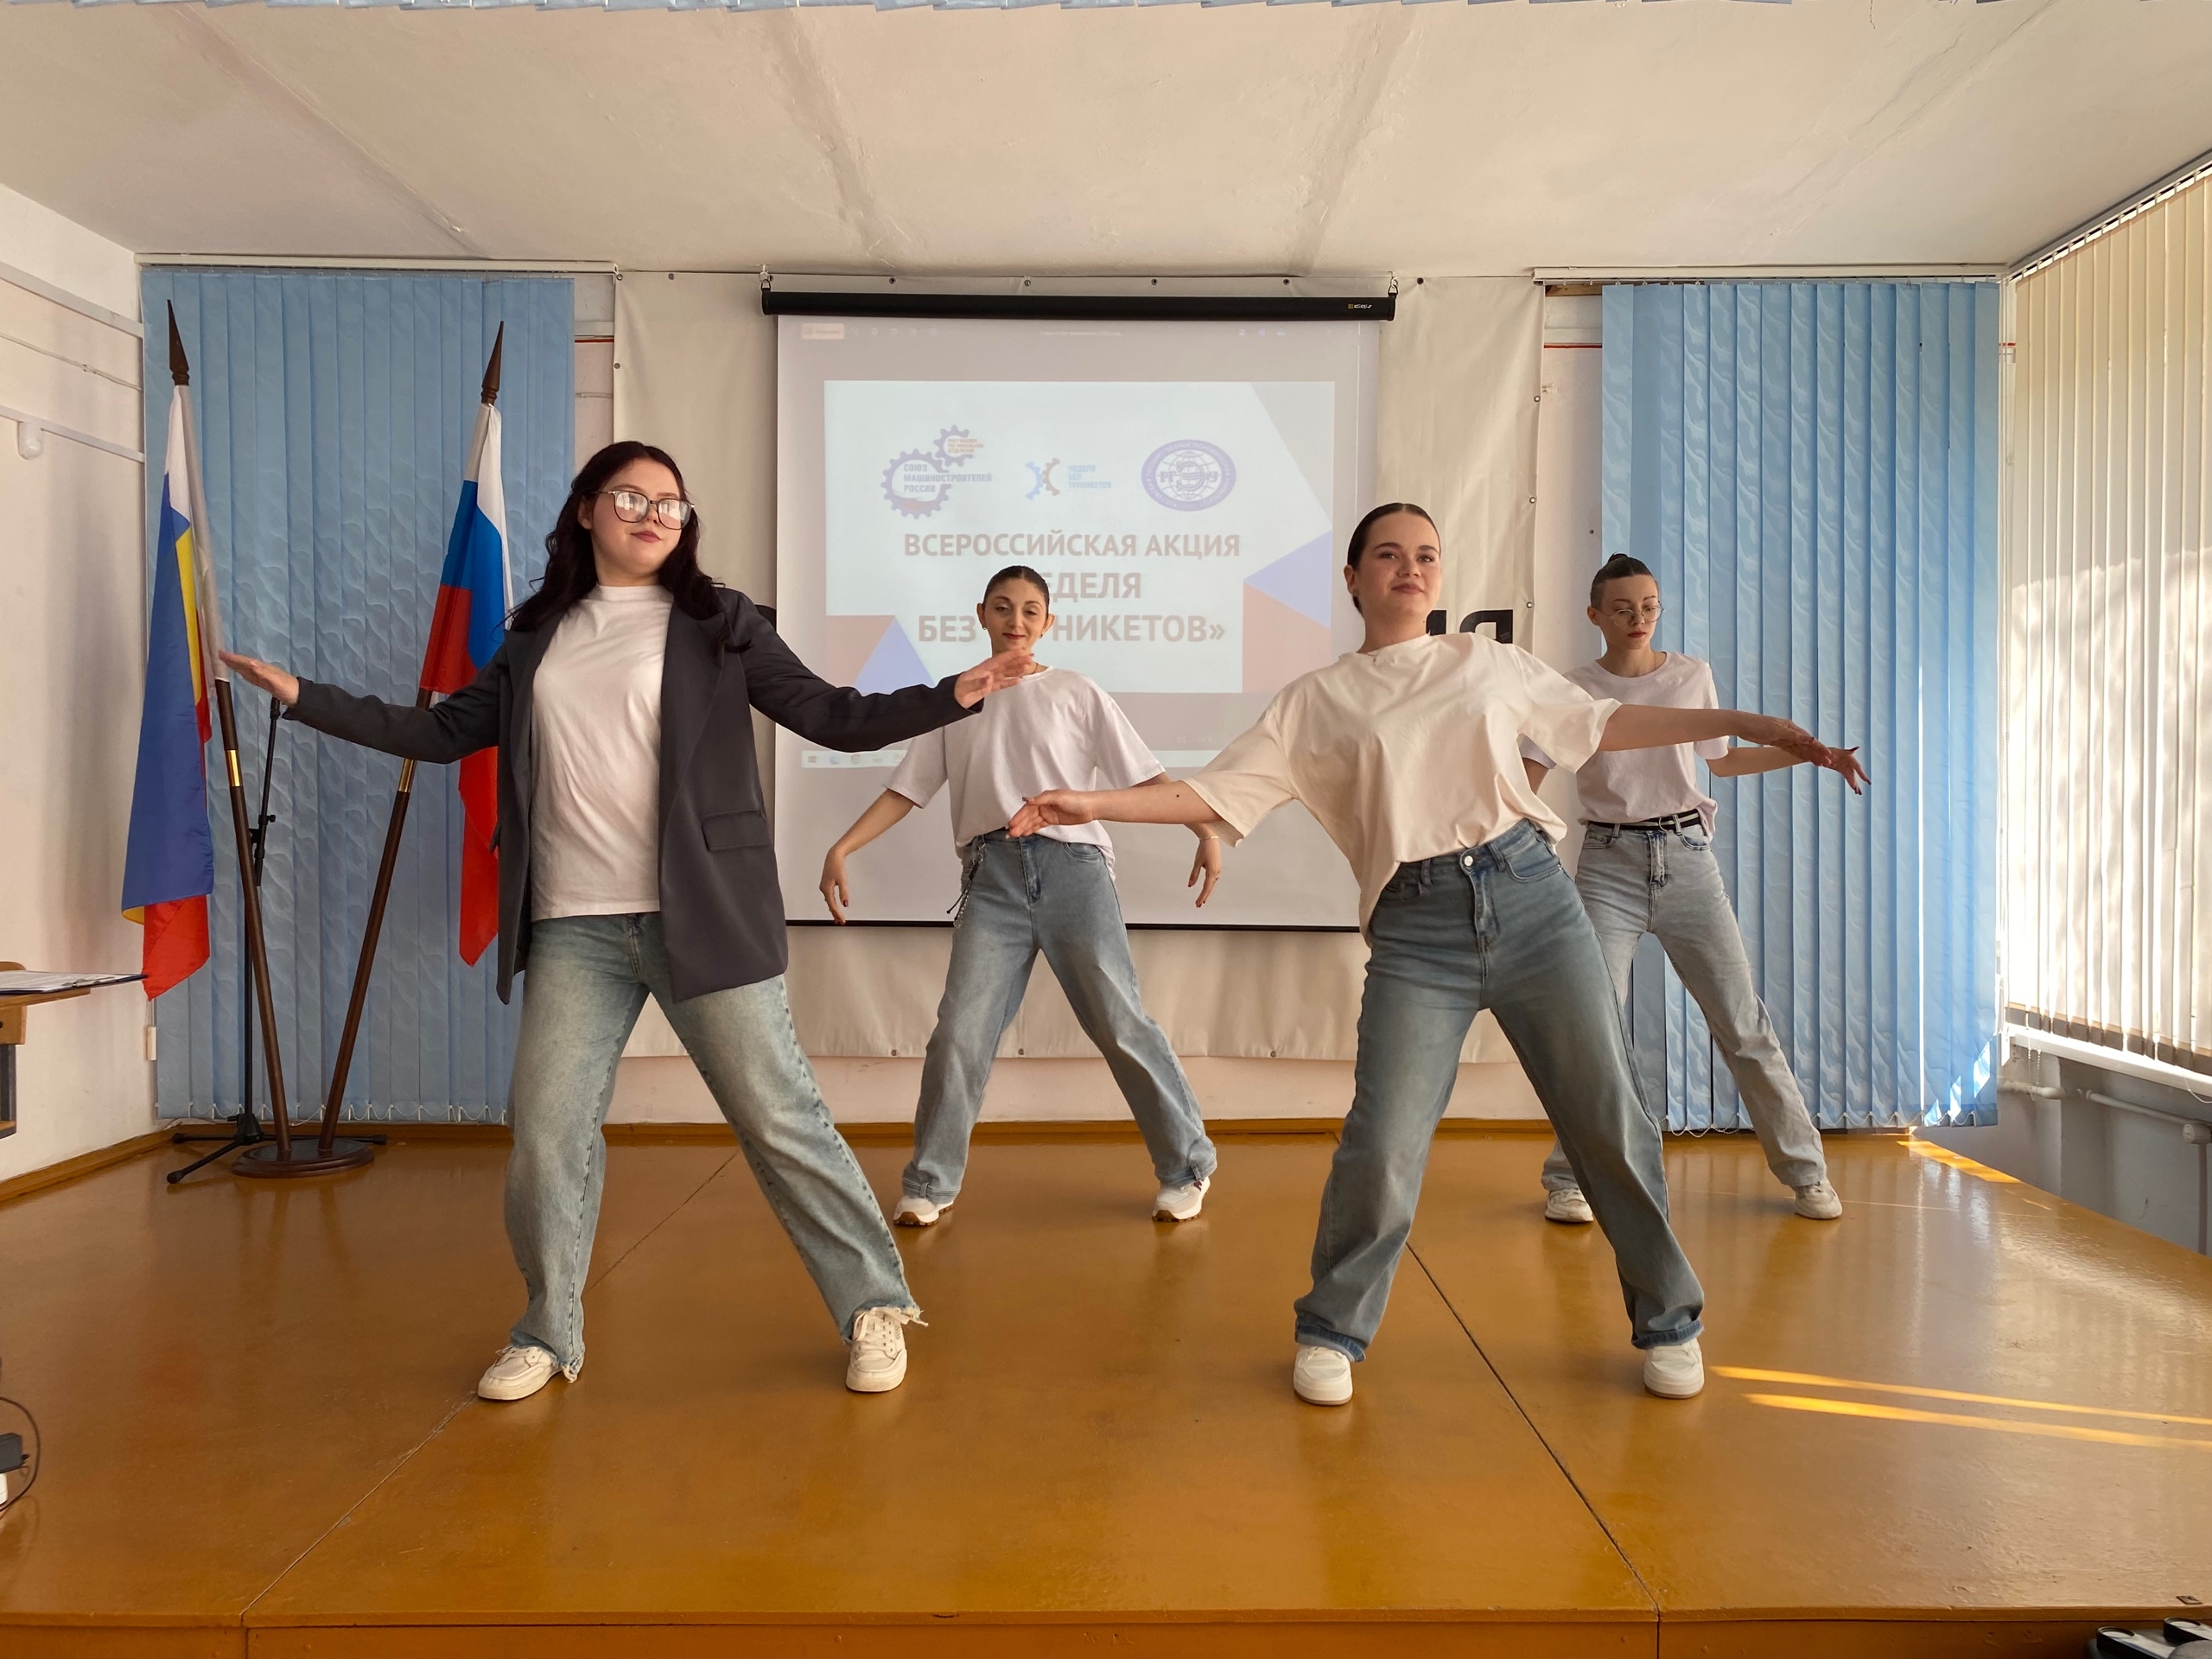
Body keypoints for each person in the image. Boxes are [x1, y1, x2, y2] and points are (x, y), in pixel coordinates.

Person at [220, 441, 1030, 1402]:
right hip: (575, 923)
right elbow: (440, 734)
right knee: (546, 1135)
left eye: (670, 504)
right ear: (585, 510)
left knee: (779, 1120)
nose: (654, 516)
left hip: (703, 911)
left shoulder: (719, 620)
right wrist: (305, 698)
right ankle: (546, 1329)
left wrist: (948, 695)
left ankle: (873, 1305)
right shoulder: (537, 634)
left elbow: (831, 715)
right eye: (632, 498)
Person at [1010, 504, 1868, 1407]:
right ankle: (1332, 1328)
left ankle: (1669, 1318)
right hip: (1416, 928)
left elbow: (1603, 725)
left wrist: (1752, 723)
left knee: (1607, 1116)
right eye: (1388, 554)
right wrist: (1092, 805)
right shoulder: (1314, 701)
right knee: (1382, 1139)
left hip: (1532, 897)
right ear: (1353, 578)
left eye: (1425, 554)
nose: (1409, 567)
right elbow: (1213, 793)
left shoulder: (1484, 661)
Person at [819, 565, 1221, 1226]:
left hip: (1075, 871)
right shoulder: (955, 701)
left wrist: (1205, 830)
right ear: (981, 614)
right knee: (960, 1032)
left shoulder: (1076, 691)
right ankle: (930, 1182)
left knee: (1119, 1021)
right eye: (1003, 607)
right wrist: (842, 847)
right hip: (992, 878)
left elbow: (1147, 776)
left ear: (1048, 622)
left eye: (1031, 610)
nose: (1016, 621)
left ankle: (1187, 1165)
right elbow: (907, 789)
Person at [1522, 555, 1861, 1228]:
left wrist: (1806, 753)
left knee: (1742, 1025)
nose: (1638, 619)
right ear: (1595, 615)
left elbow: (1722, 762)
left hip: (1687, 860)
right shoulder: (1573, 689)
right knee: (1590, 1027)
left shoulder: (1690, 675)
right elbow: (1528, 772)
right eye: (1623, 608)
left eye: (1649, 606)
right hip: (1608, 864)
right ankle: (1570, 1179)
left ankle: (1807, 1173)